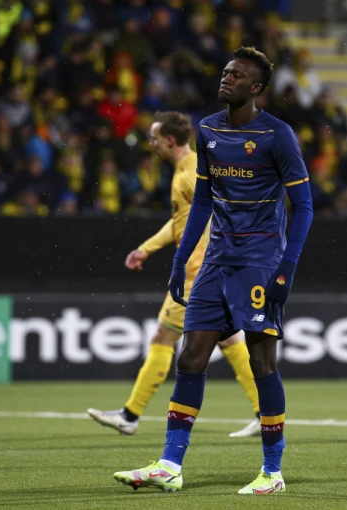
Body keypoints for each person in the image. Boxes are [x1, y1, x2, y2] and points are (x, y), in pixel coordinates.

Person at [112, 46, 313, 494]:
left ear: (256, 88)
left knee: (262, 363)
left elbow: (303, 206)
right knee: (190, 357)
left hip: (260, 262)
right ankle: (170, 464)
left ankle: (272, 472)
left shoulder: (277, 135)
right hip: (215, 261)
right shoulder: (208, 130)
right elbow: (203, 202)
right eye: (226, 71)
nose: (227, 78)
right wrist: (180, 260)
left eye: (237, 75)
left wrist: (286, 268)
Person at [87, 111, 261, 439]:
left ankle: (129, 415)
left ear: (169, 140)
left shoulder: (190, 173)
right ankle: (266, 413)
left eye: (154, 138)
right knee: (228, 339)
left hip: (198, 275)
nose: (151, 144)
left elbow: (228, 207)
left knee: (164, 337)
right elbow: (183, 221)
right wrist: (146, 249)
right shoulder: (186, 169)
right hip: (210, 271)